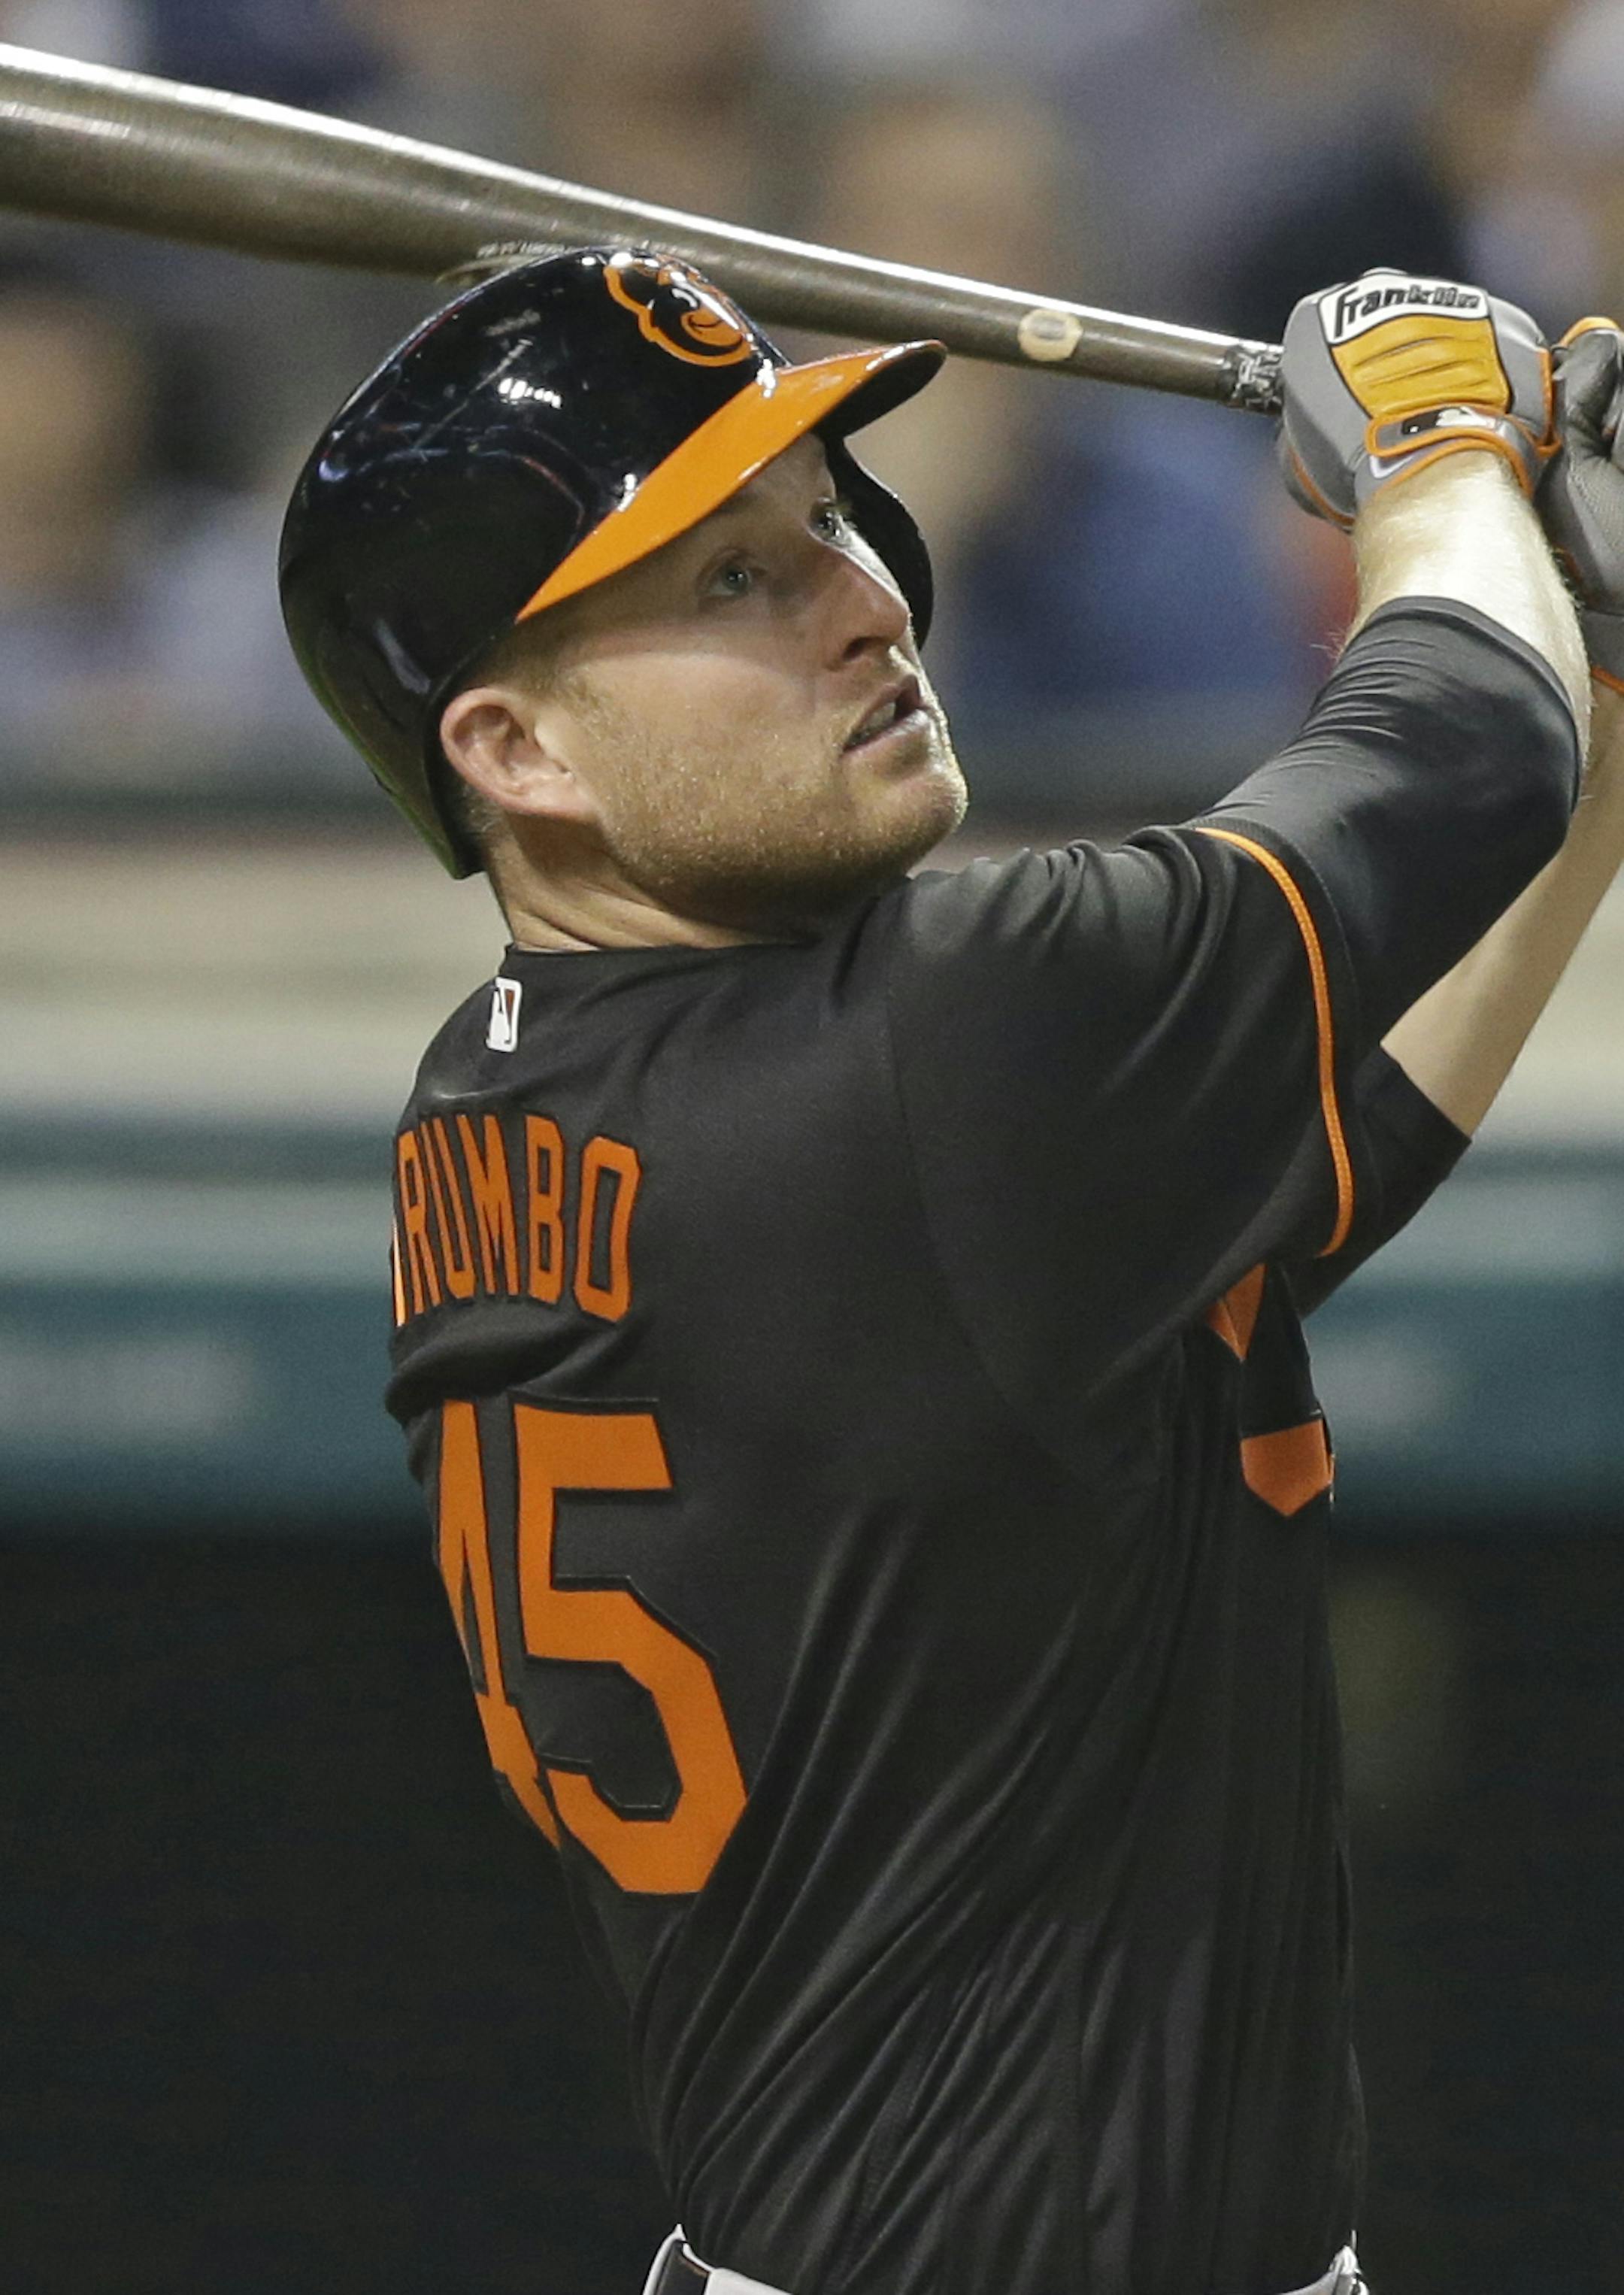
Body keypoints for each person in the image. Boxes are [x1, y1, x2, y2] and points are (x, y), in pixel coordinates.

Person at [278, 247, 1624, 2294]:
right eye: (727, 581)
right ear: (517, 753)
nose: (865, 601)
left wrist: (1589, 654)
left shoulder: (510, 1092)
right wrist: (1437, 450)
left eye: (824, 526)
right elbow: (1464, 748)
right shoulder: (934, 1057)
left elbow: (1304, 1160)